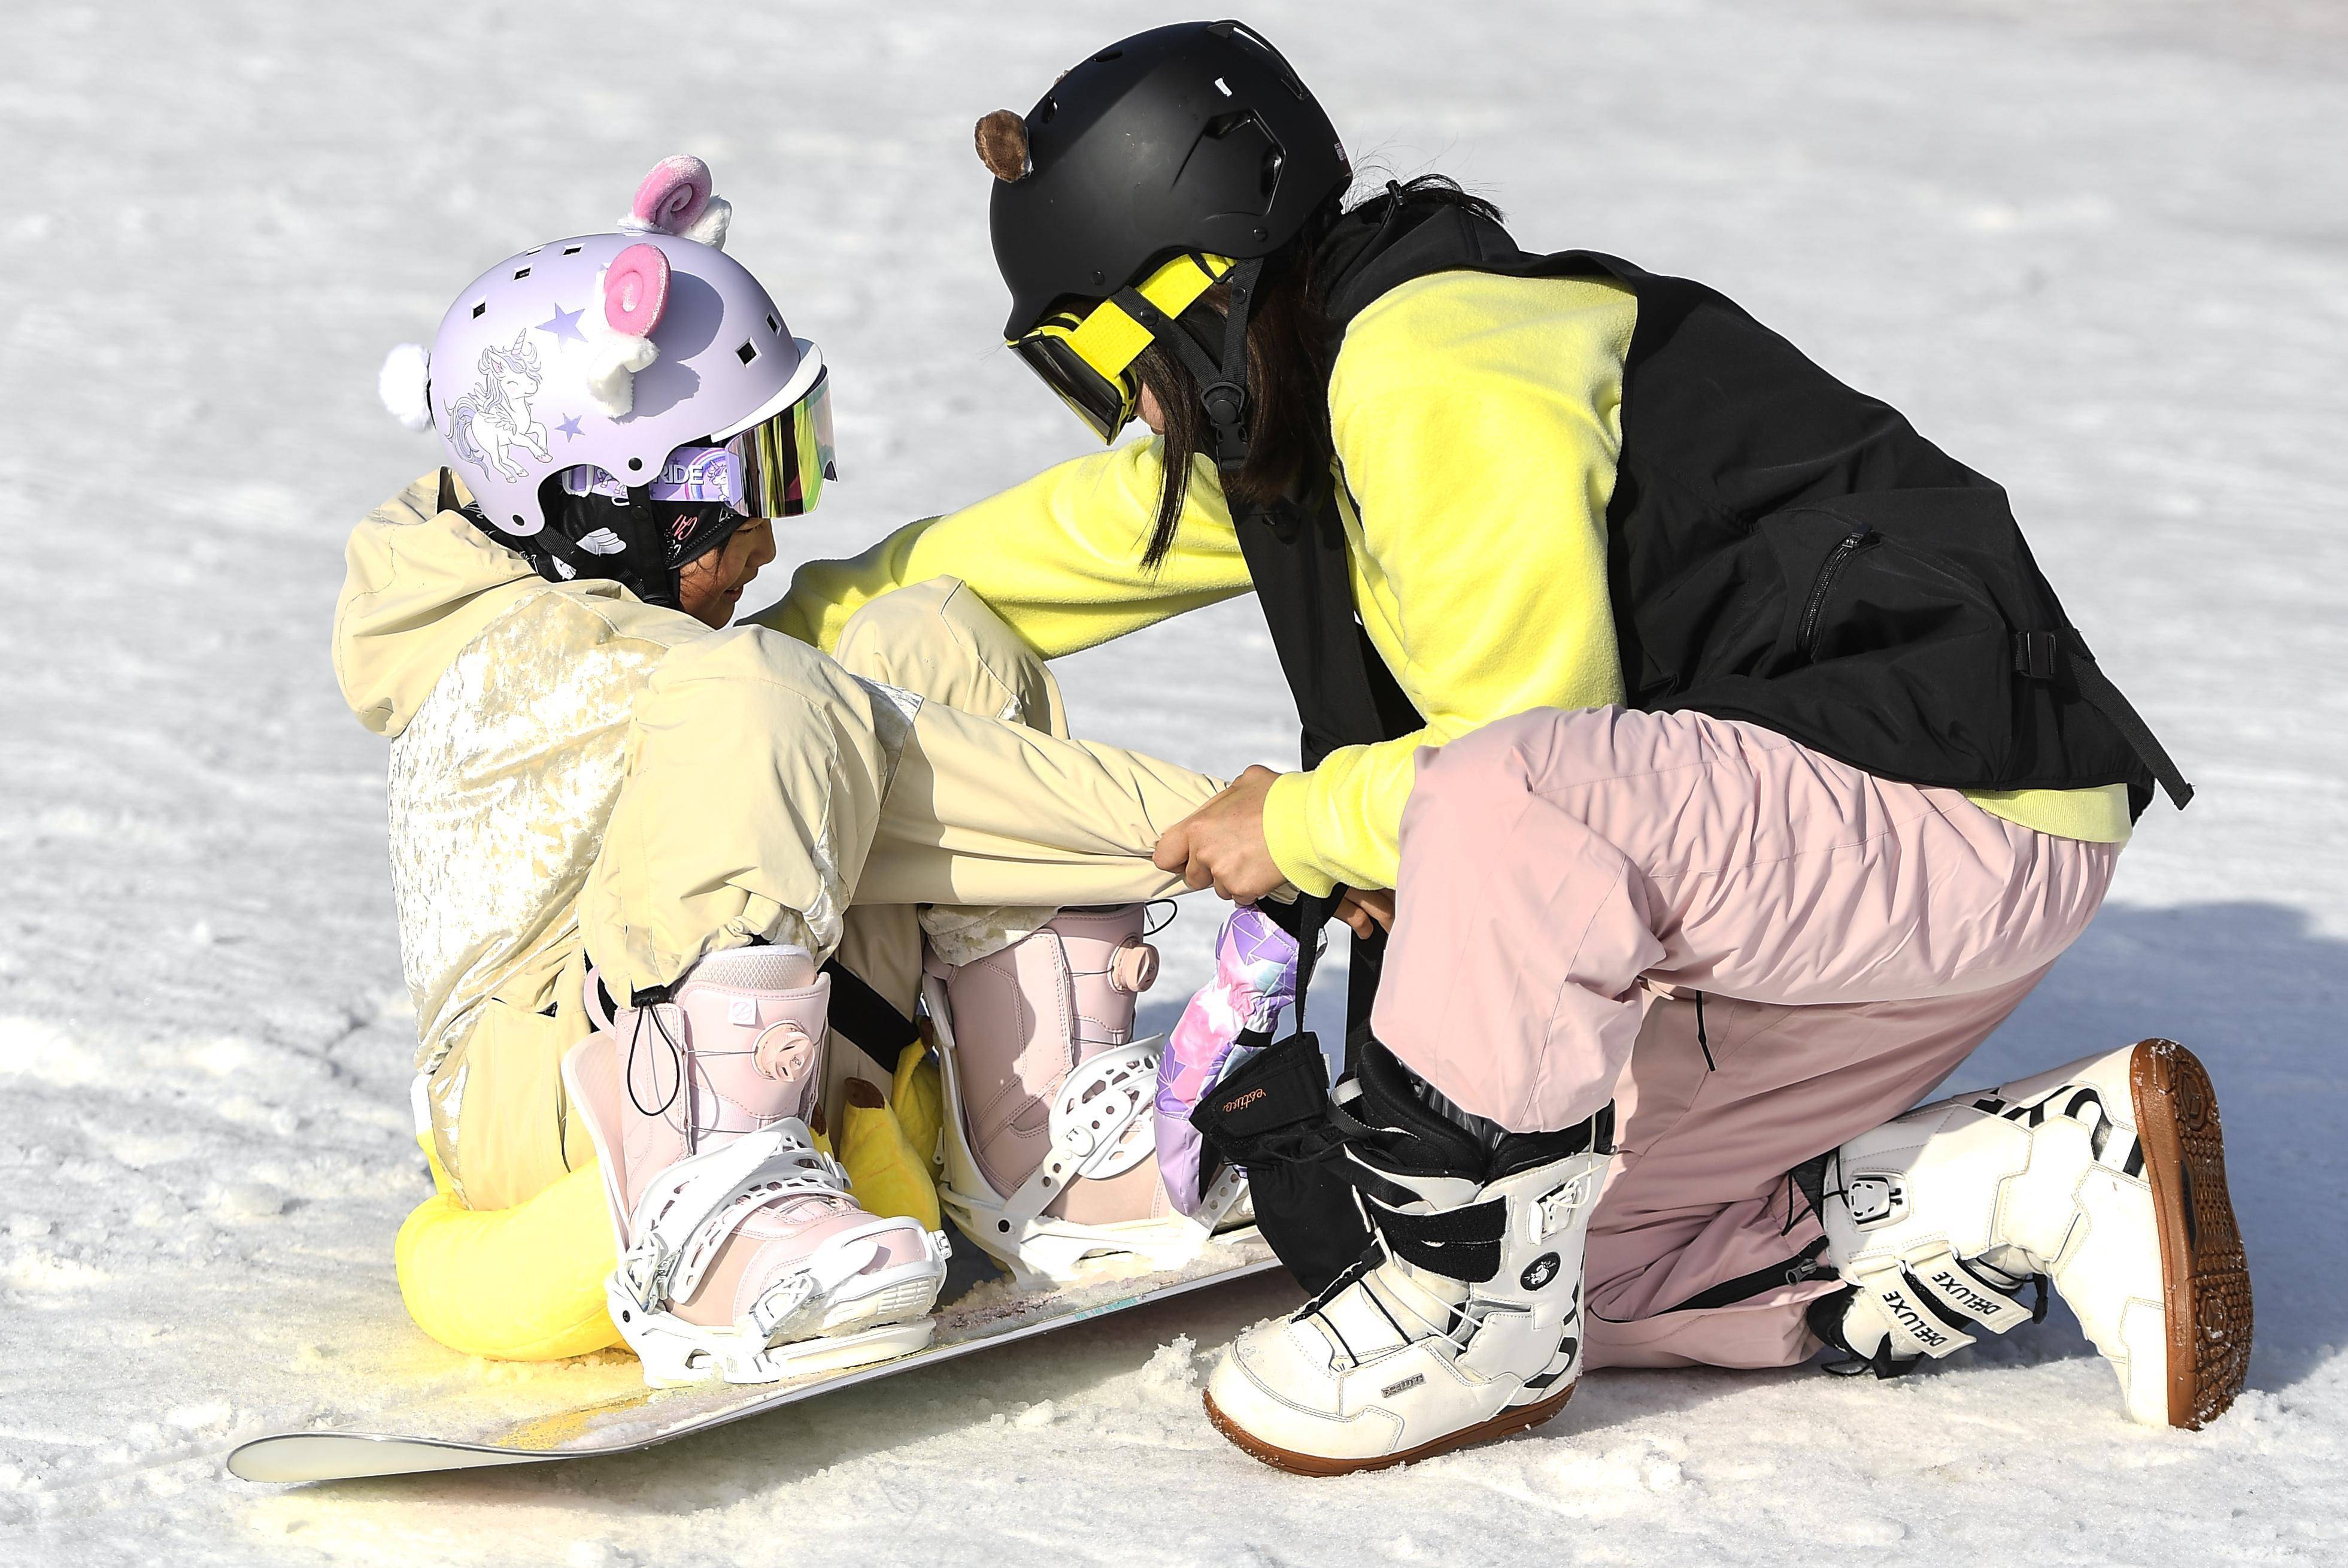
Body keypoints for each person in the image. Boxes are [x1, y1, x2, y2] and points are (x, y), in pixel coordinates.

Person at [766, 22, 2250, 1469]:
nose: (1118, 406)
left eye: (1097, 349)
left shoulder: (1429, 366)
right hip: (1851, 857)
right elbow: (1034, 551)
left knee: (1494, 835)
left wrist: (1296, 826)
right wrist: (756, 642)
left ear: (1192, 284)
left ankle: (1453, 1314)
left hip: (1937, 801)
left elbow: (1535, 763)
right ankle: (2032, 1172)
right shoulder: (1307, 411)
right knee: (1585, 1258)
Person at [343, 156, 1240, 1385]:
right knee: (768, 691)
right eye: (742, 486)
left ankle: (1039, 1139)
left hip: (746, 1037)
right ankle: (706, 1218)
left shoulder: (619, 621)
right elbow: (901, 768)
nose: (770, 533)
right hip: (546, 1106)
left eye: (791, 463)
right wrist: (1262, 829)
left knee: (936, 636)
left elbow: (856, 699)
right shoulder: (530, 656)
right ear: (602, 502)